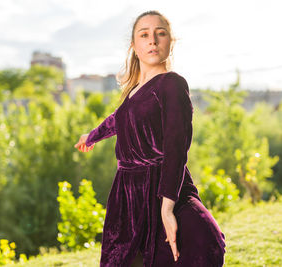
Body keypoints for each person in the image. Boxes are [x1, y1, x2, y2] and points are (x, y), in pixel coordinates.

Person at [74, 10, 226, 267]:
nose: (152, 40)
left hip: (161, 186)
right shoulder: (134, 91)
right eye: (144, 35)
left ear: (171, 42)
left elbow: (177, 146)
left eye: (160, 33)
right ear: (134, 46)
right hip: (126, 193)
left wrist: (167, 208)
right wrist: (92, 136)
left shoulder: (172, 84)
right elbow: (118, 119)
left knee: (203, 241)